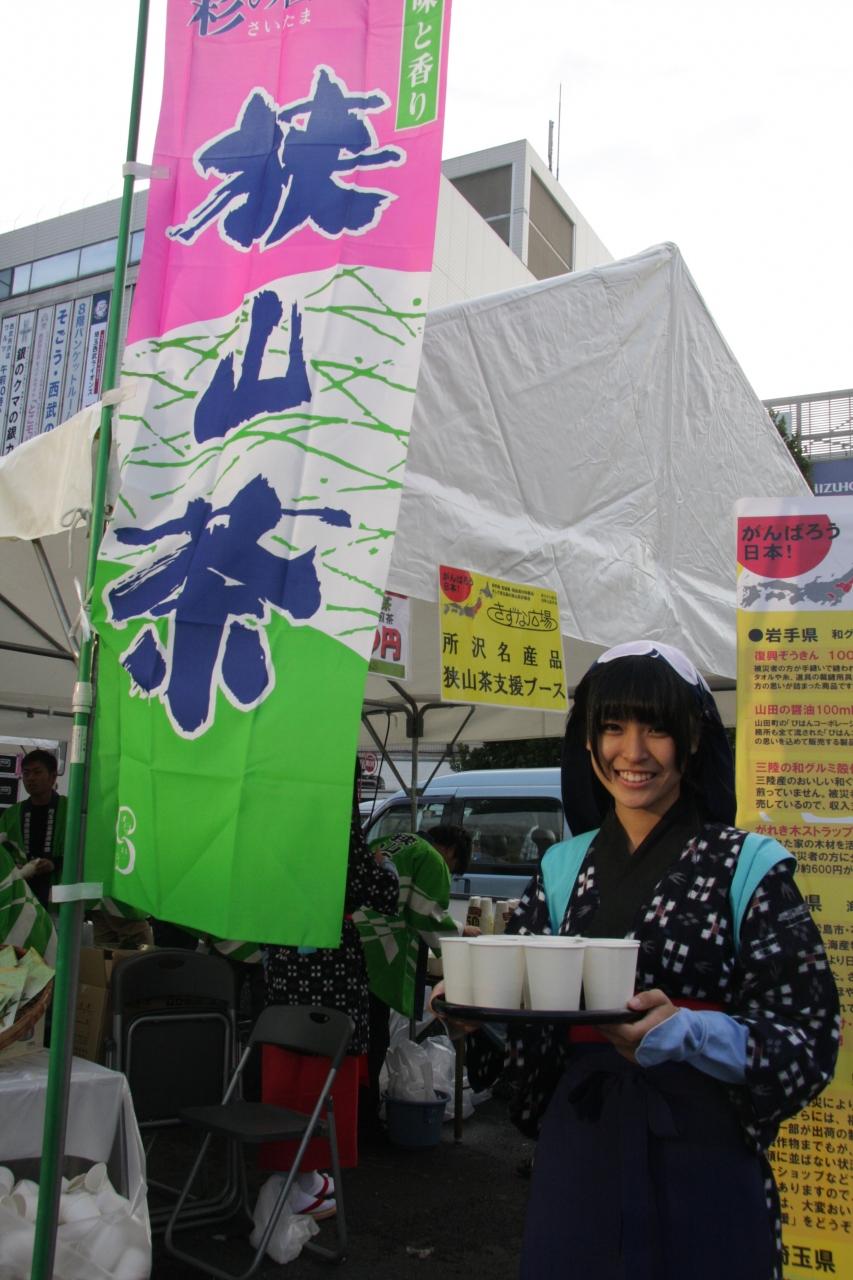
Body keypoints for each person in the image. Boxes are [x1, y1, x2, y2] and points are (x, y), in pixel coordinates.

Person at [446, 641, 840, 1280]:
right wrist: (476, 1012)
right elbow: (529, 1013)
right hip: (582, 1142)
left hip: (703, 1145)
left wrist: (692, 1033)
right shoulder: (561, 866)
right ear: (588, 742)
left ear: (693, 739)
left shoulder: (751, 866)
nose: (633, 752)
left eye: (657, 728)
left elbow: (808, 1034)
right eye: (612, 727)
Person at [260, 767, 399, 1220]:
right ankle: (302, 1176)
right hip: (328, 963)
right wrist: (386, 869)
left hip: (284, 953)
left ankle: (294, 1175)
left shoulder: (273, 809)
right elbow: (368, 888)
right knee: (323, 1067)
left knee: (287, 1063)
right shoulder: (335, 815)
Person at [355, 824, 474, 1135]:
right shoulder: (430, 858)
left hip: (350, 941)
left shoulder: (392, 840)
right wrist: (461, 938)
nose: (448, 873)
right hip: (376, 951)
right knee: (374, 1037)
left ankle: (350, 1113)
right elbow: (427, 916)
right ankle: (364, 1121)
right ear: (450, 851)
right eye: (453, 867)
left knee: (355, 1036)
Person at [0, 750, 67, 910]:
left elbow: (84, 852)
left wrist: (54, 863)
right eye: (26, 773)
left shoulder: (70, 811)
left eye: (37, 772)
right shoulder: (11, 814)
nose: (30, 778)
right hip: (20, 896)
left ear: (52, 777)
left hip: (60, 897)